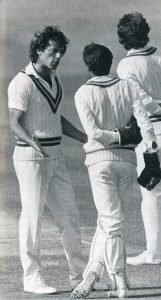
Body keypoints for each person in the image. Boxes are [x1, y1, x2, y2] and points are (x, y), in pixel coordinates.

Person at [71, 43, 158, 299]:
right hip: (128, 161)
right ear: (110, 63)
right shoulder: (128, 86)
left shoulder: (81, 93)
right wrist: (149, 150)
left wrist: (114, 137)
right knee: (110, 221)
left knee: (111, 222)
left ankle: (118, 280)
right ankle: (98, 271)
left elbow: (94, 134)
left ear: (88, 67)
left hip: (99, 162)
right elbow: (144, 122)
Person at [8, 25, 89, 295]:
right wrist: (32, 142)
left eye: (61, 53)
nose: (57, 57)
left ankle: (80, 277)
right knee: (32, 219)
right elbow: (14, 123)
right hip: (30, 159)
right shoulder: (21, 82)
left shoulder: (55, 79)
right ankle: (32, 279)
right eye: (53, 52)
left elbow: (56, 118)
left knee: (70, 216)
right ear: (39, 50)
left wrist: (85, 137)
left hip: (56, 157)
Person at [117, 12, 161, 265]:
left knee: (152, 194)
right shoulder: (160, 55)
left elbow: (140, 102)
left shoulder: (125, 66)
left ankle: (154, 253)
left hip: (150, 134)